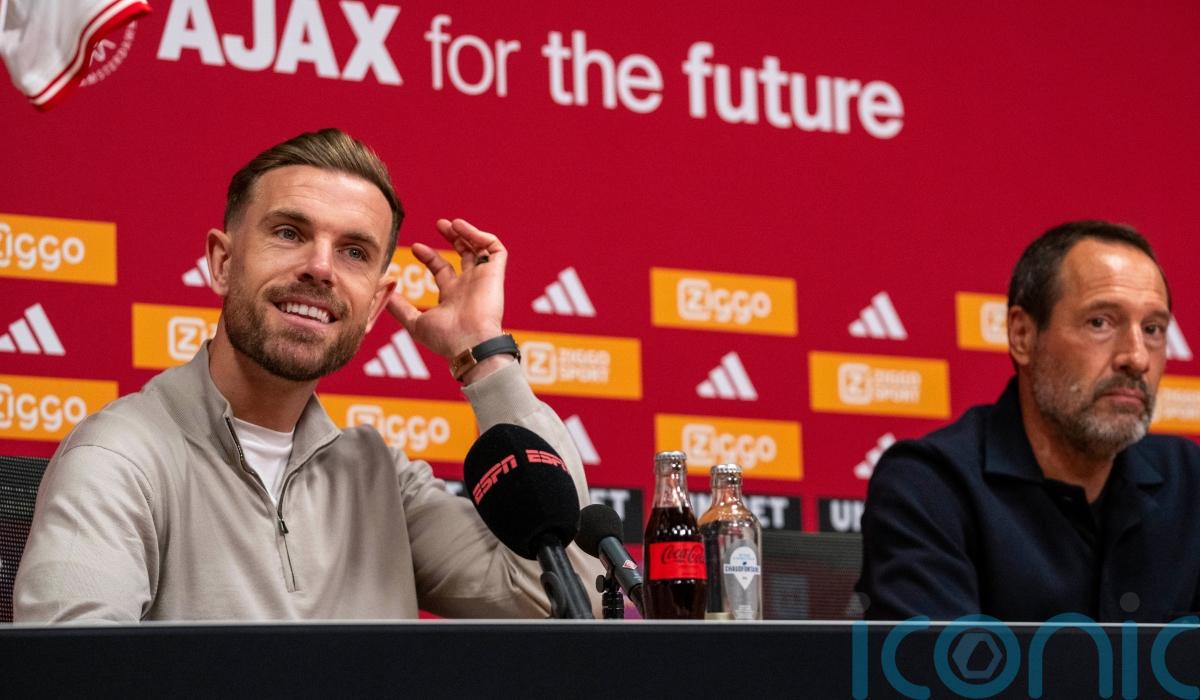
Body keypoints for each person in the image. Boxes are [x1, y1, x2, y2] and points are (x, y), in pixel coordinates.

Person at [14, 128, 603, 622]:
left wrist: (485, 354)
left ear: (374, 306)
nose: (320, 268)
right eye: (289, 233)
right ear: (222, 263)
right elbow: (72, 680)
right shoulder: (118, 458)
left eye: (354, 252)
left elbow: (567, 593)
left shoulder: (380, 478)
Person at [858, 220, 1200, 622]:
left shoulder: (1190, 480)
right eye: (1100, 323)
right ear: (1022, 335)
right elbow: (941, 661)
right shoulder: (931, 486)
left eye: (1153, 329)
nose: (1137, 357)